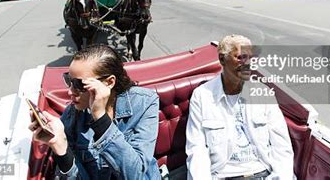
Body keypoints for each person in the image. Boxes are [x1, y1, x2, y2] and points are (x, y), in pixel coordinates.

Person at [29, 44, 161, 179]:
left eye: (80, 85)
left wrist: (100, 118)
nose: (70, 91)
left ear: (109, 82)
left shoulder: (144, 102)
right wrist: (60, 147)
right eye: (69, 80)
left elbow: (135, 175)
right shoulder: (73, 114)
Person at [186, 35, 294, 180]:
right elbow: (197, 150)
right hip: (223, 176)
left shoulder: (263, 94)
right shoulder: (202, 96)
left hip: (264, 173)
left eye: (250, 58)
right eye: (240, 57)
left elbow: (282, 147)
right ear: (222, 59)